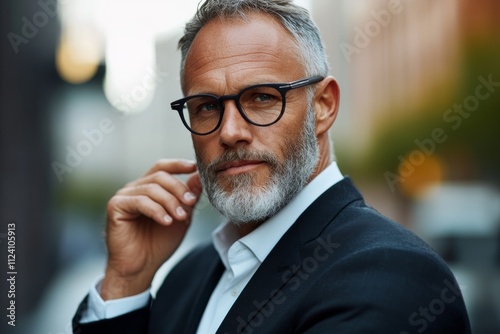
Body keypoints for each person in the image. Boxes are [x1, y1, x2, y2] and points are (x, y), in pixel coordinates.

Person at [72, 0, 471, 333]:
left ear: (324, 106)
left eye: (261, 98)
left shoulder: (392, 277)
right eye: (207, 106)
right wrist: (125, 282)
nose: (230, 132)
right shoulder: (186, 277)